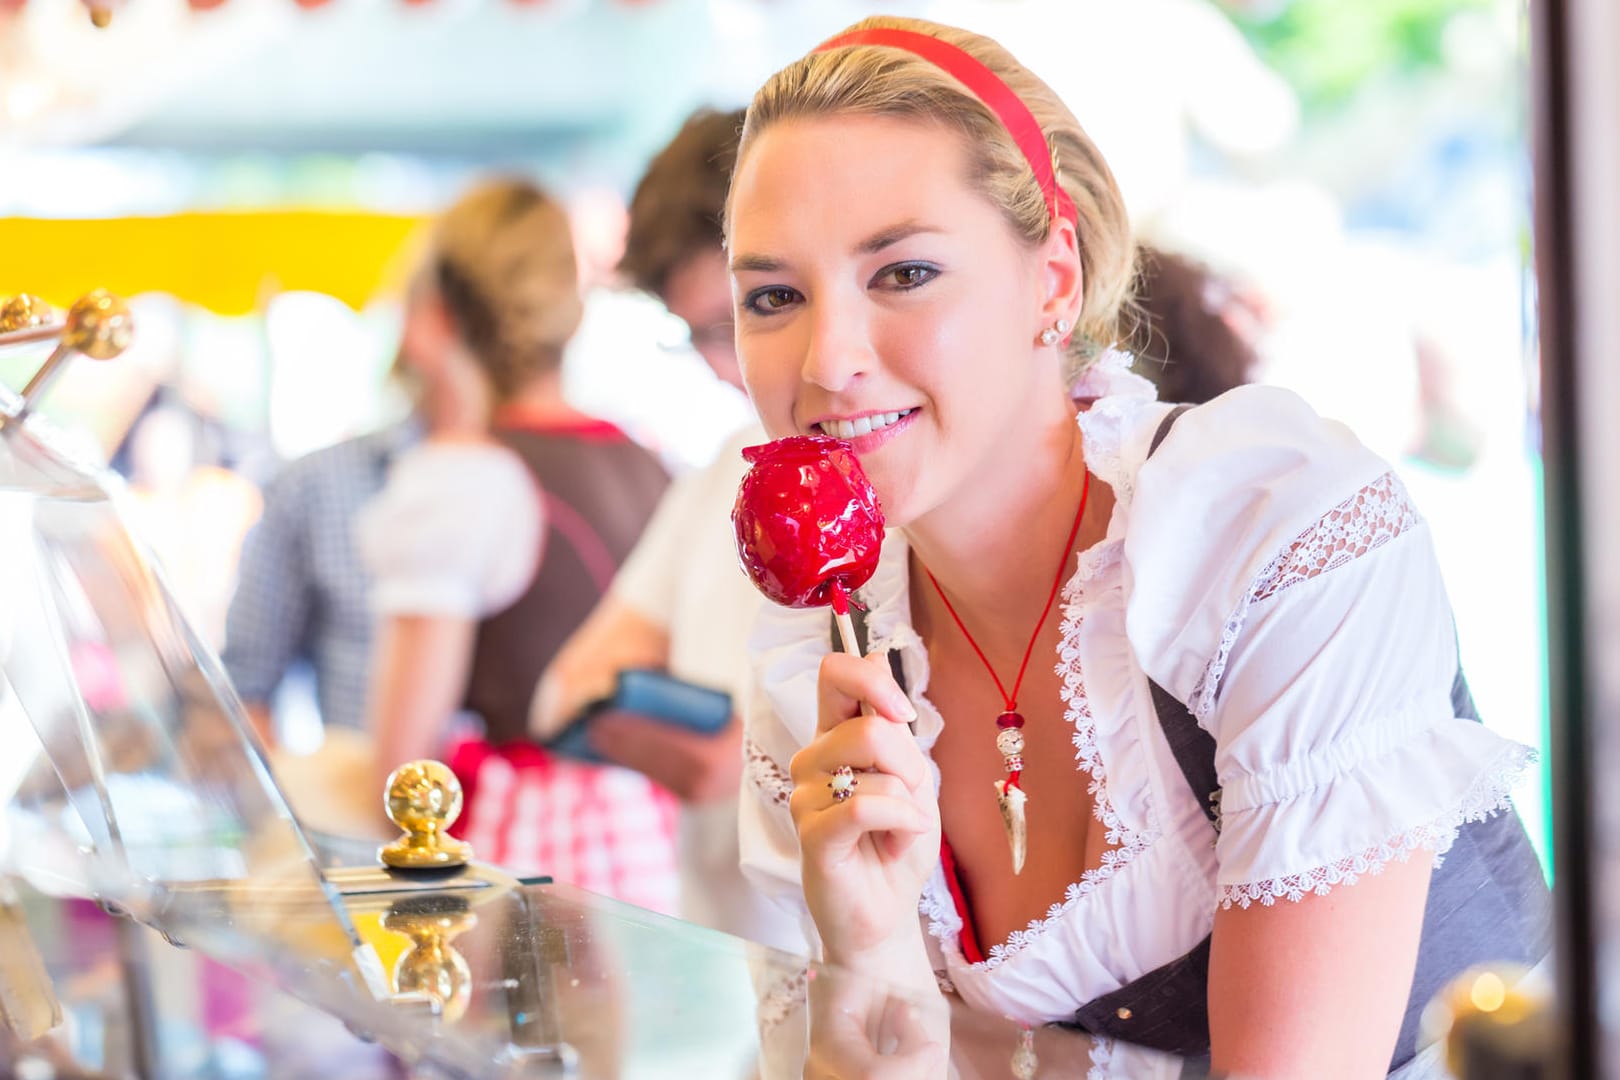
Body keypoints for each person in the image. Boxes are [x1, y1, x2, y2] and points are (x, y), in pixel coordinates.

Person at [728, 16, 1549, 1079]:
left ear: (1054, 279)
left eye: (904, 274)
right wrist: (872, 946)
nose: (828, 360)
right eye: (773, 297)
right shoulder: (815, 664)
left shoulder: (1270, 536)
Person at [356, 177, 678, 912]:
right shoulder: (647, 463)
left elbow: (403, 775)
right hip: (652, 844)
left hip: (526, 853)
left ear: (436, 317)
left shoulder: (465, 478)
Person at [531, 109, 802, 952]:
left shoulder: (901, 475)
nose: (729, 367)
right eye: (700, 336)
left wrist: (747, 761)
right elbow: (563, 690)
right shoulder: (728, 467)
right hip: (735, 962)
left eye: (750, 313)